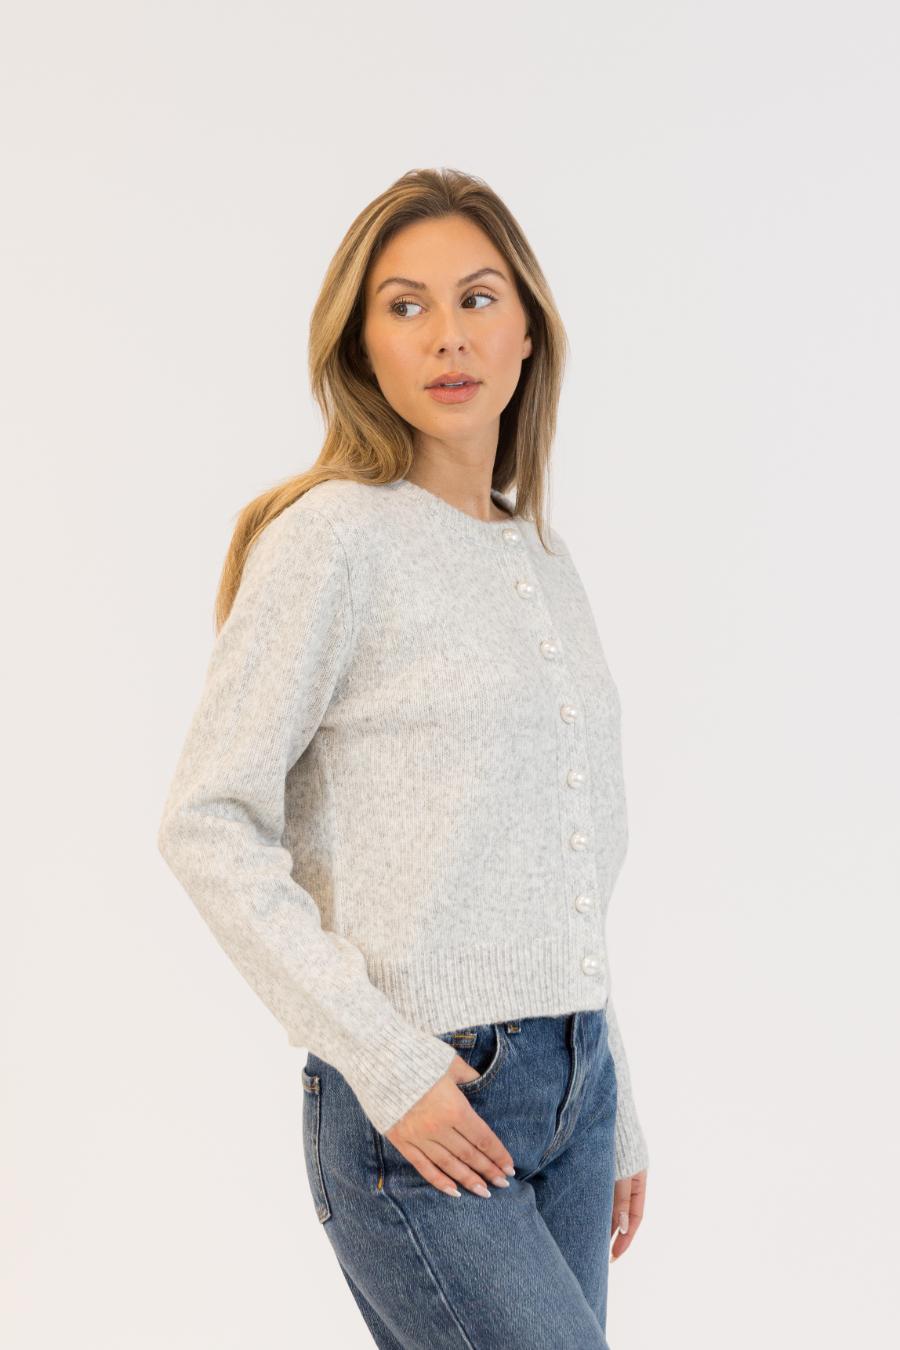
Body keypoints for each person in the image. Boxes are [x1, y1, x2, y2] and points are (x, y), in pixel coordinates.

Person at [157, 166, 650, 1348]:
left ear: (527, 328)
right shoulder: (330, 541)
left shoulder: (544, 561)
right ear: (361, 344)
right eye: (405, 305)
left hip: (574, 1090)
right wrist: (390, 1067)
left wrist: (615, 1103)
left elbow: (559, 872)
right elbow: (207, 822)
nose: (447, 337)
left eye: (477, 298)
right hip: (423, 1105)